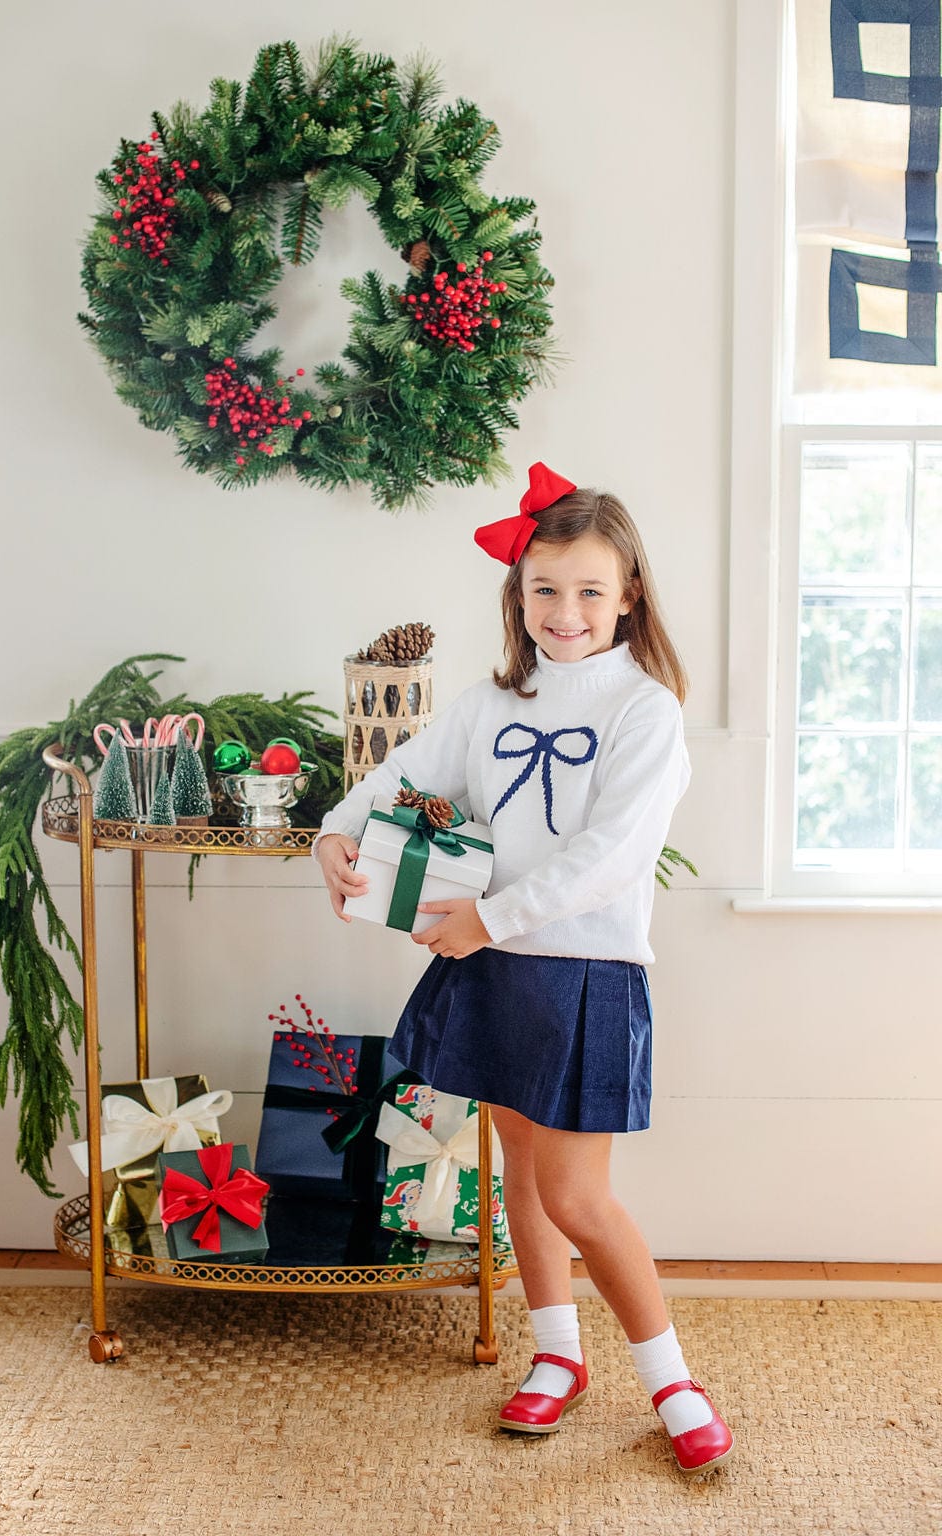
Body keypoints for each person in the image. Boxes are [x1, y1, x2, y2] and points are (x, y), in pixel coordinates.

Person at [314, 462, 734, 1477]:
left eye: (589, 589)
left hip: (579, 972)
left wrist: (490, 920)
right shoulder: (490, 703)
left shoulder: (645, 711)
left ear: (629, 593)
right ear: (518, 592)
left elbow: (611, 857)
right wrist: (334, 828)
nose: (565, 611)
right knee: (520, 1177)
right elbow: (401, 774)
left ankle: (673, 1381)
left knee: (578, 1196)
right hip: (492, 967)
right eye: (545, 588)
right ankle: (557, 1356)